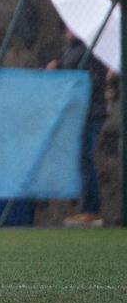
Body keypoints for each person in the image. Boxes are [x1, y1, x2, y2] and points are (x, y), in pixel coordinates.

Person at [47, 29, 109, 227]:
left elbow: (94, 80)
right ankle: (85, 206)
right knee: (79, 158)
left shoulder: (89, 51)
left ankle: (91, 210)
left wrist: (67, 74)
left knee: (85, 157)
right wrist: (58, 69)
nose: (67, 31)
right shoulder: (73, 51)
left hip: (90, 113)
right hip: (80, 113)